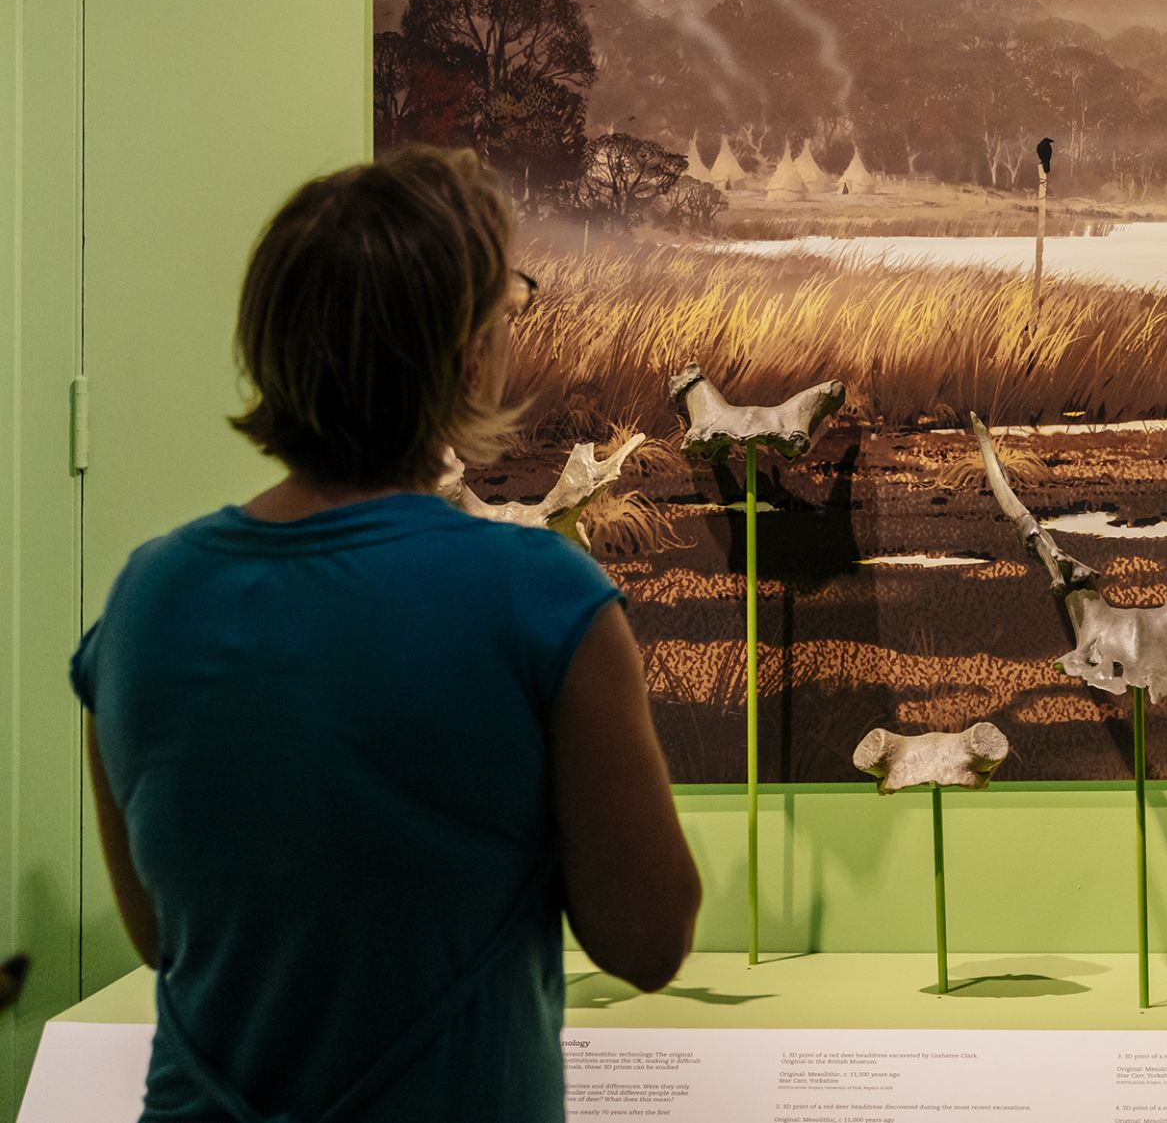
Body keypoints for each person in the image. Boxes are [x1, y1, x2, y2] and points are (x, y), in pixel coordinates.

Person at [73, 147, 700, 1121]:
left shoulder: (147, 595)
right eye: (506, 308)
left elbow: (164, 932)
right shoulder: (543, 597)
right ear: (464, 352)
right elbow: (648, 937)